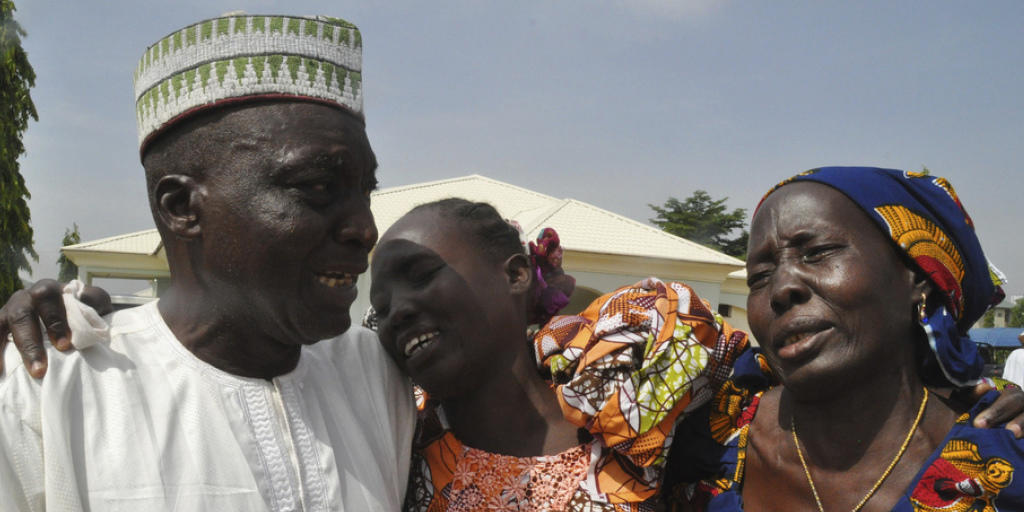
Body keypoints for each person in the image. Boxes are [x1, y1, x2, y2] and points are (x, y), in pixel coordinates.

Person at [0, 14, 414, 510]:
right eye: (319, 188)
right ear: (181, 209)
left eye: (364, 191)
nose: (365, 230)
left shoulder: (378, 375)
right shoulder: (47, 394)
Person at [370, 198, 749, 510]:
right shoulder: (395, 450)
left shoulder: (638, 409)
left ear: (516, 275)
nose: (397, 312)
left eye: (421, 276)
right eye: (381, 308)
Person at [691, 167, 1024, 511]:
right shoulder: (703, 428)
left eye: (817, 252)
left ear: (917, 277)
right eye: (759, 277)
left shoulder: (1001, 460)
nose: (781, 288)